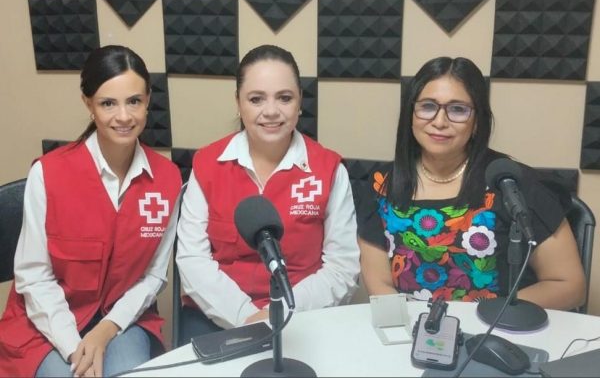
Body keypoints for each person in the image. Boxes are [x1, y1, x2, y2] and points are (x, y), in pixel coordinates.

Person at [0, 45, 183, 377]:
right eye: (108, 103)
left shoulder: (168, 179)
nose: (124, 116)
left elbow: (153, 276)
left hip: (122, 319)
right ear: (88, 104)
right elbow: (34, 276)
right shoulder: (49, 174)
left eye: (134, 101)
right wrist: (74, 348)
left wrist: (106, 329)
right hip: (46, 323)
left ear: (148, 100)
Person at [357, 56, 586, 311]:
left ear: (477, 121)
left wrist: (490, 317)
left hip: (495, 329)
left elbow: (569, 285)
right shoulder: (382, 184)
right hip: (410, 329)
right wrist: (410, 329)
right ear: (411, 113)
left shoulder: (511, 183)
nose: (440, 121)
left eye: (458, 109)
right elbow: (379, 283)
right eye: (428, 106)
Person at [175, 44, 360, 344]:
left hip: (303, 317)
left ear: (300, 101)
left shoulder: (329, 169)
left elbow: (342, 268)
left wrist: (279, 312)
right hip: (218, 318)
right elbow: (193, 259)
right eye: (256, 99)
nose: (271, 111)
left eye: (284, 98)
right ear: (238, 103)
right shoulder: (207, 164)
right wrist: (245, 317)